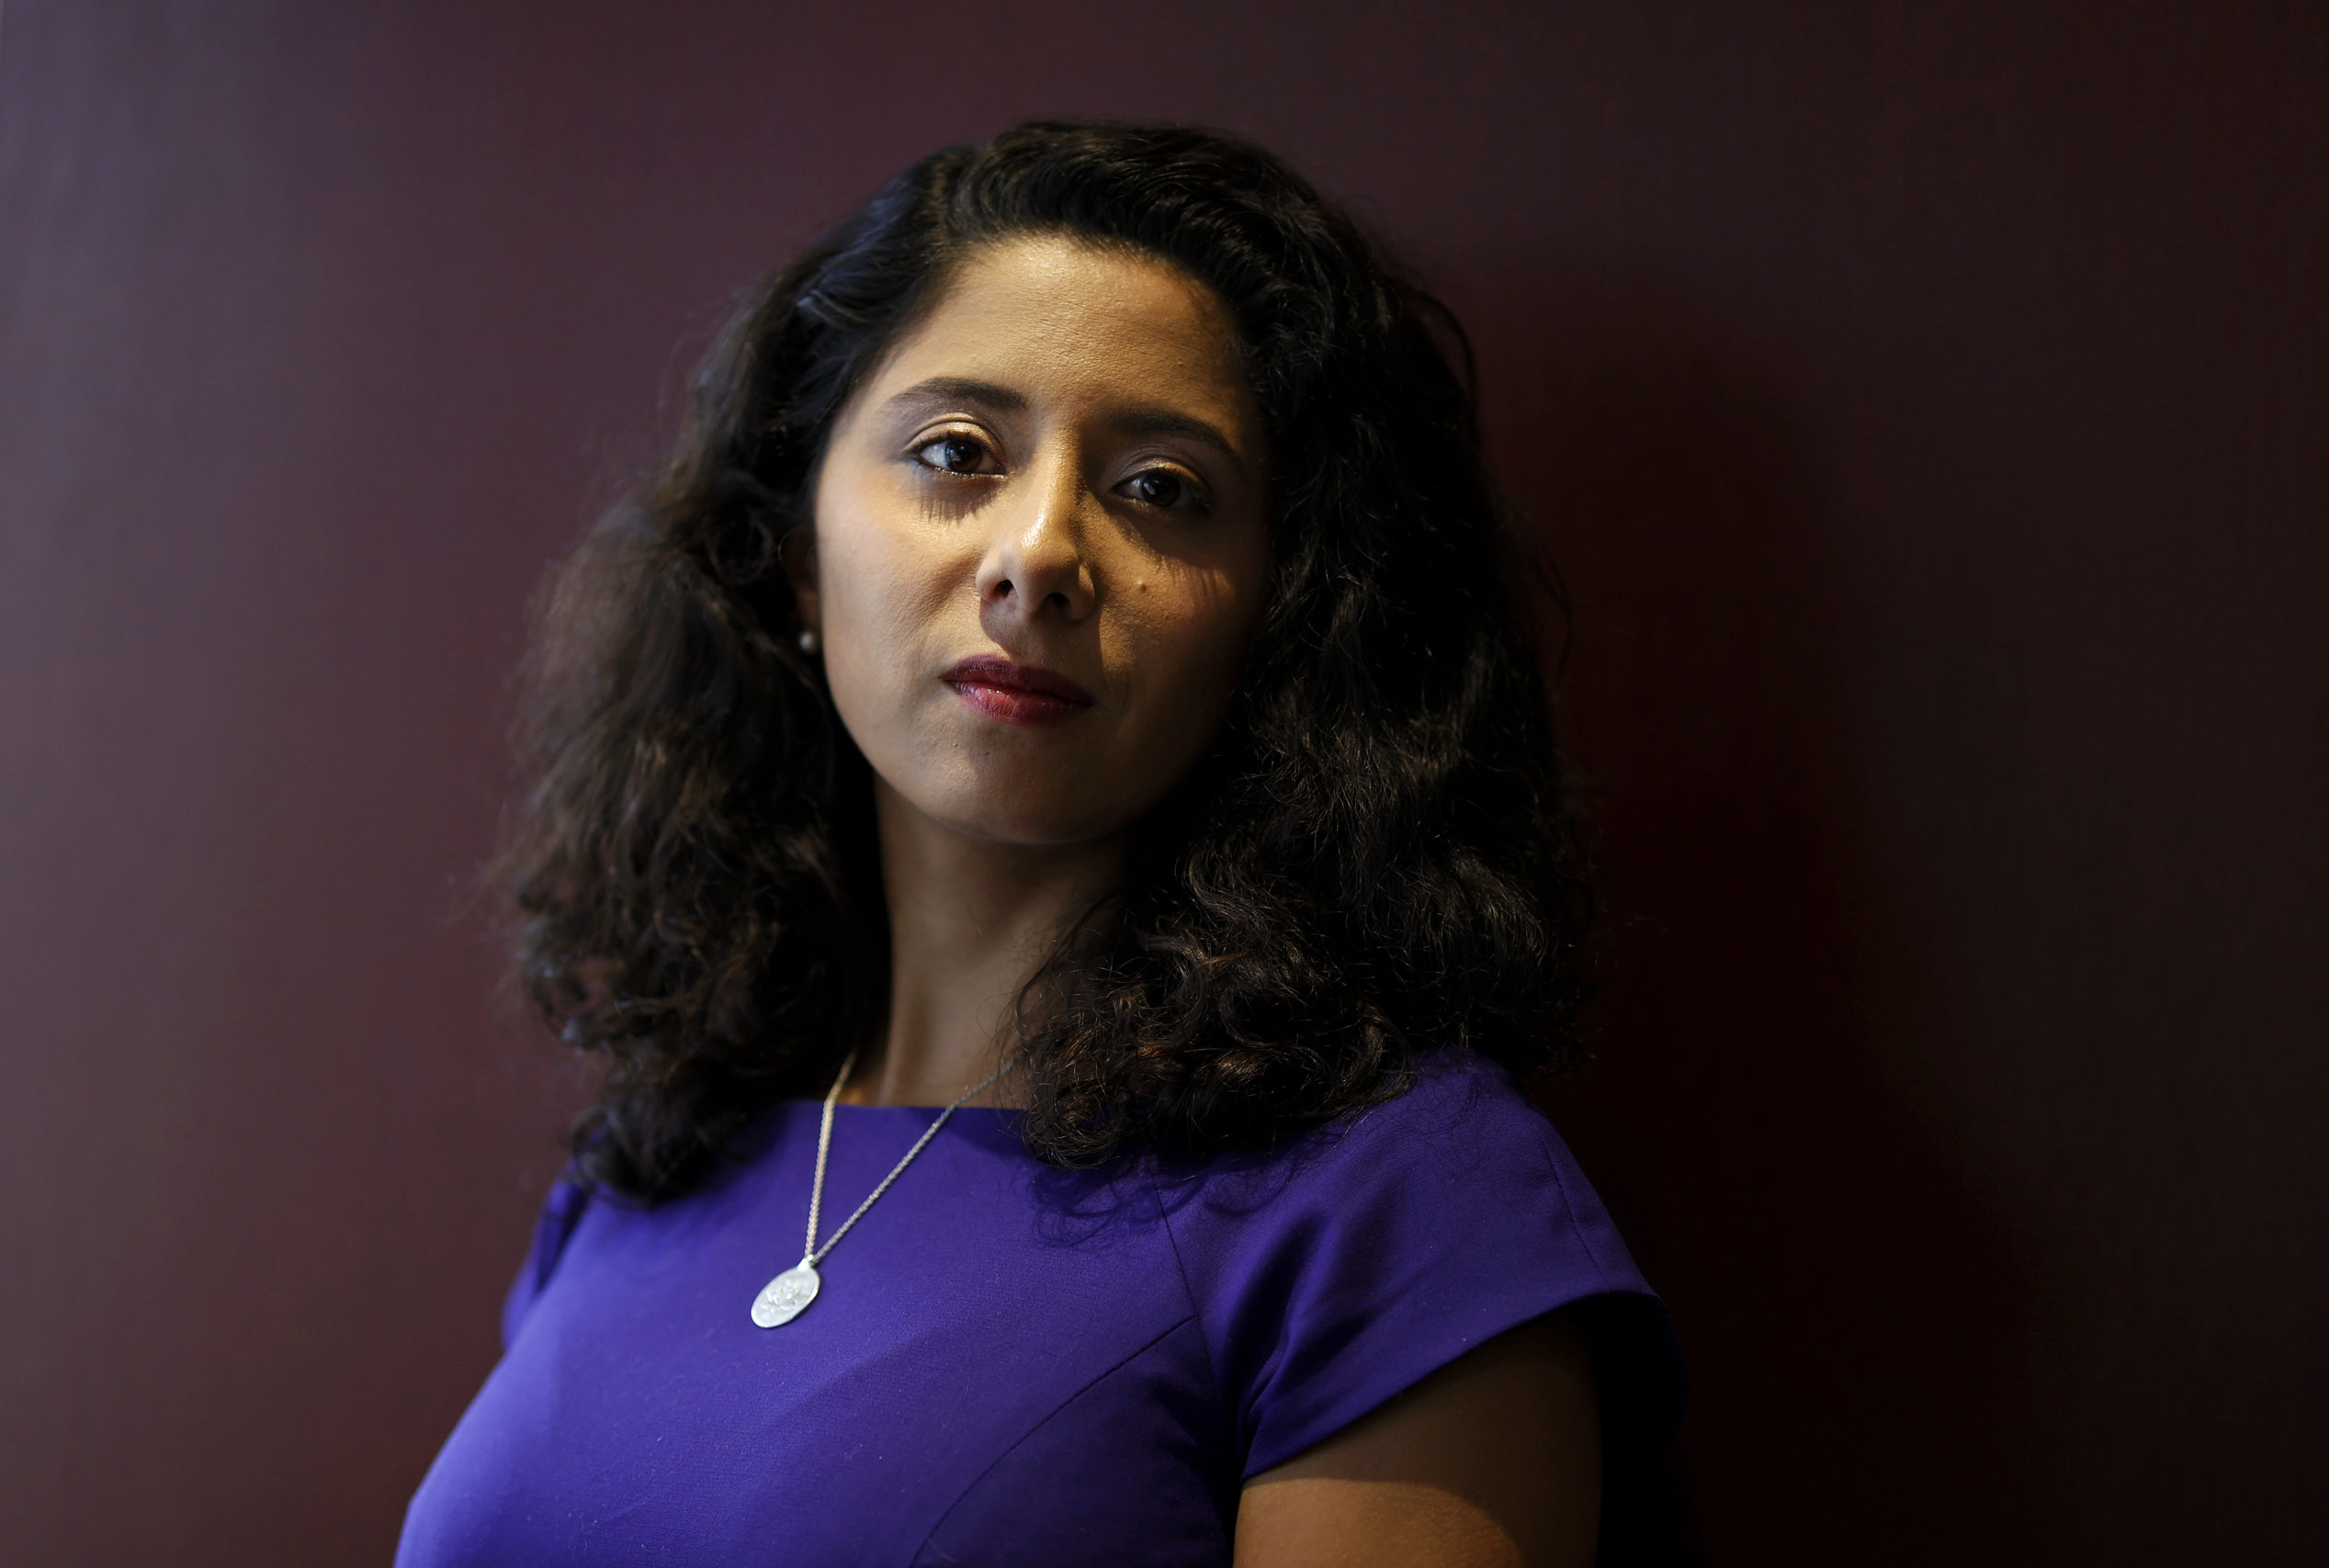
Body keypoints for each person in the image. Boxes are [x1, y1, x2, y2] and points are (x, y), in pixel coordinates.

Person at [396, 121, 1682, 1568]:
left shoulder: (1396, 1203)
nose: (1039, 554)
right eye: (957, 453)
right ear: (799, 554)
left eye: (1160, 490)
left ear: (1285, 618)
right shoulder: (652, 1172)